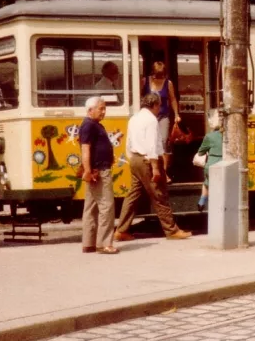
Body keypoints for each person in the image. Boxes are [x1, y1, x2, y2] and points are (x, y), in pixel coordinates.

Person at [114, 93, 192, 241]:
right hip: (147, 161)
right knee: (159, 195)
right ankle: (171, 230)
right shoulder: (151, 120)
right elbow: (151, 145)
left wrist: (133, 158)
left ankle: (121, 230)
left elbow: (129, 142)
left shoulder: (134, 118)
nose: (160, 108)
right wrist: (156, 167)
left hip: (135, 159)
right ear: (155, 105)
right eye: (159, 105)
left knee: (132, 196)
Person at [80, 96, 117, 254]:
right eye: (100, 108)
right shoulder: (89, 126)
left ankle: (89, 243)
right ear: (90, 110)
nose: (103, 111)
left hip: (96, 170)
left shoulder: (93, 125)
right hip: (99, 171)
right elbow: (85, 149)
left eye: (104, 108)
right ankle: (104, 244)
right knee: (106, 206)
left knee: (91, 207)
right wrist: (88, 171)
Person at [143, 60, 180, 182]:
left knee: (164, 141)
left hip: (163, 116)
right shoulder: (145, 81)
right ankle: (152, 170)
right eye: (157, 76)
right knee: (151, 141)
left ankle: (164, 172)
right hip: (149, 116)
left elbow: (173, 99)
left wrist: (176, 114)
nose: (159, 79)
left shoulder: (168, 83)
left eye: (161, 76)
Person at [195, 109, 223, 212]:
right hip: (225, 164)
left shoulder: (209, 136)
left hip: (212, 165)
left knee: (207, 182)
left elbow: (200, 152)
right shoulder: (229, 135)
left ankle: (202, 202)